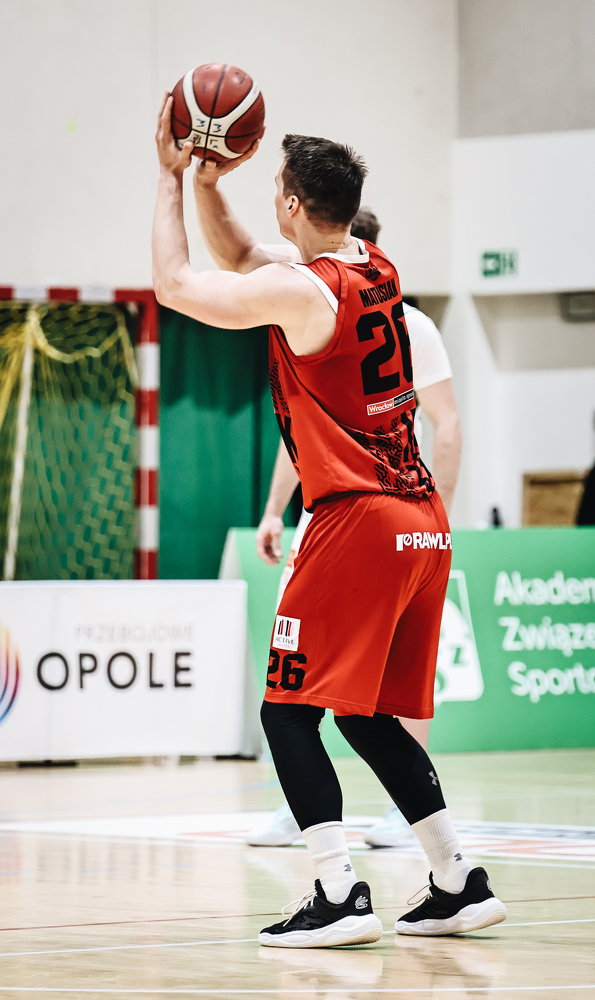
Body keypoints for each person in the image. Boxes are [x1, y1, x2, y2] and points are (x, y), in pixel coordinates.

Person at [153, 97, 506, 948]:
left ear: (289, 201)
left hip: (357, 521)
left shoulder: (303, 293)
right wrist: (208, 184)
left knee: (285, 711)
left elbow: (177, 284)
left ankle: (337, 892)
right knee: (363, 715)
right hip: (422, 522)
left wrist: (168, 178)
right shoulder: (372, 266)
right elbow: (244, 256)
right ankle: (456, 879)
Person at [248, 208, 462, 850]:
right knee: (338, 699)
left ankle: (375, 838)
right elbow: (303, 431)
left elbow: (447, 424)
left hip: (371, 510)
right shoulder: (329, 302)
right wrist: (275, 509)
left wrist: (187, 181)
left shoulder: (403, 322)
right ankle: (315, 811)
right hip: (358, 513)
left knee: (335, 698)